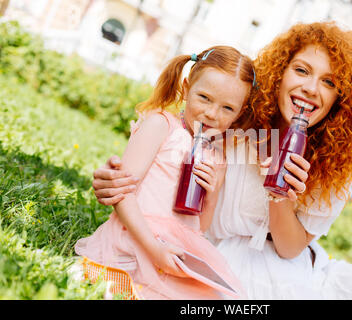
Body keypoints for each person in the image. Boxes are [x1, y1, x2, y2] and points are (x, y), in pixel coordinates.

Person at [90, 22, 352, 299]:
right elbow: (179, 139)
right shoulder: (235, 124)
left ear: (340, 99)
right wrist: (119, 177)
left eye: (329, 82)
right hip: (240, 270)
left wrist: (283, 197)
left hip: (300, 268)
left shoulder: (333, 164)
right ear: (280, 74)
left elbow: (291, 248)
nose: (311, 88)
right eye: (302, 70)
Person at [75, 45, 258, 300]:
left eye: (228, 108)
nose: (212, 114)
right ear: (185, 88)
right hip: (137, 240)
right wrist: (154, 249)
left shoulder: (217, 157)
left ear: (239, 114)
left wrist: (213, 194)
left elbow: (198, 228)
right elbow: (121, 193)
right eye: (204, 97)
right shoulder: (162, 126)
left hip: (176, 254)